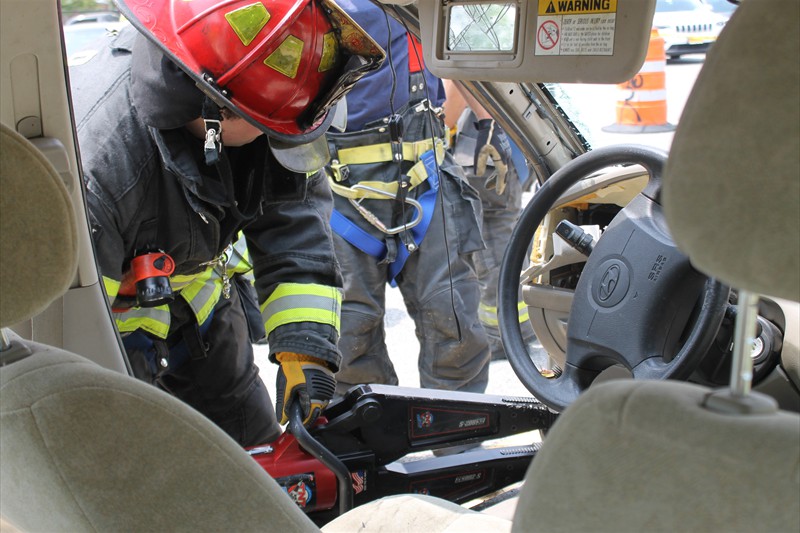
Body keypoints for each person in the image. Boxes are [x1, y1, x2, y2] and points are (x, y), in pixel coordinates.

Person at [72, 0, 384, 447]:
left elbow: (293, 218)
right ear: (215, 109)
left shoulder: (245, 102)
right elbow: (73, 345)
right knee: (126, 467)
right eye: (269, 126)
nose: (281, 137)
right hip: (109, 336)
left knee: (253, 456)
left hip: (199, 309)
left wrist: (305, 348)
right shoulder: (101, 171)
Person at [326, 0, 491, 396]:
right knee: (347, 337)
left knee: (454, 320)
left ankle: (456, 445)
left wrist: (486, 123)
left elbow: (469, 48)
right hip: (340, 186)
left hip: (428, 173)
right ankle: (362, 443)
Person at [442, 80, 539, 361]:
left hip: (482, 148)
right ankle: (517, 324)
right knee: (505, 228)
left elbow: (456, 93)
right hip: (514, 145)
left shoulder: (472, 45)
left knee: (493, 233)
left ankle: (501, 334)